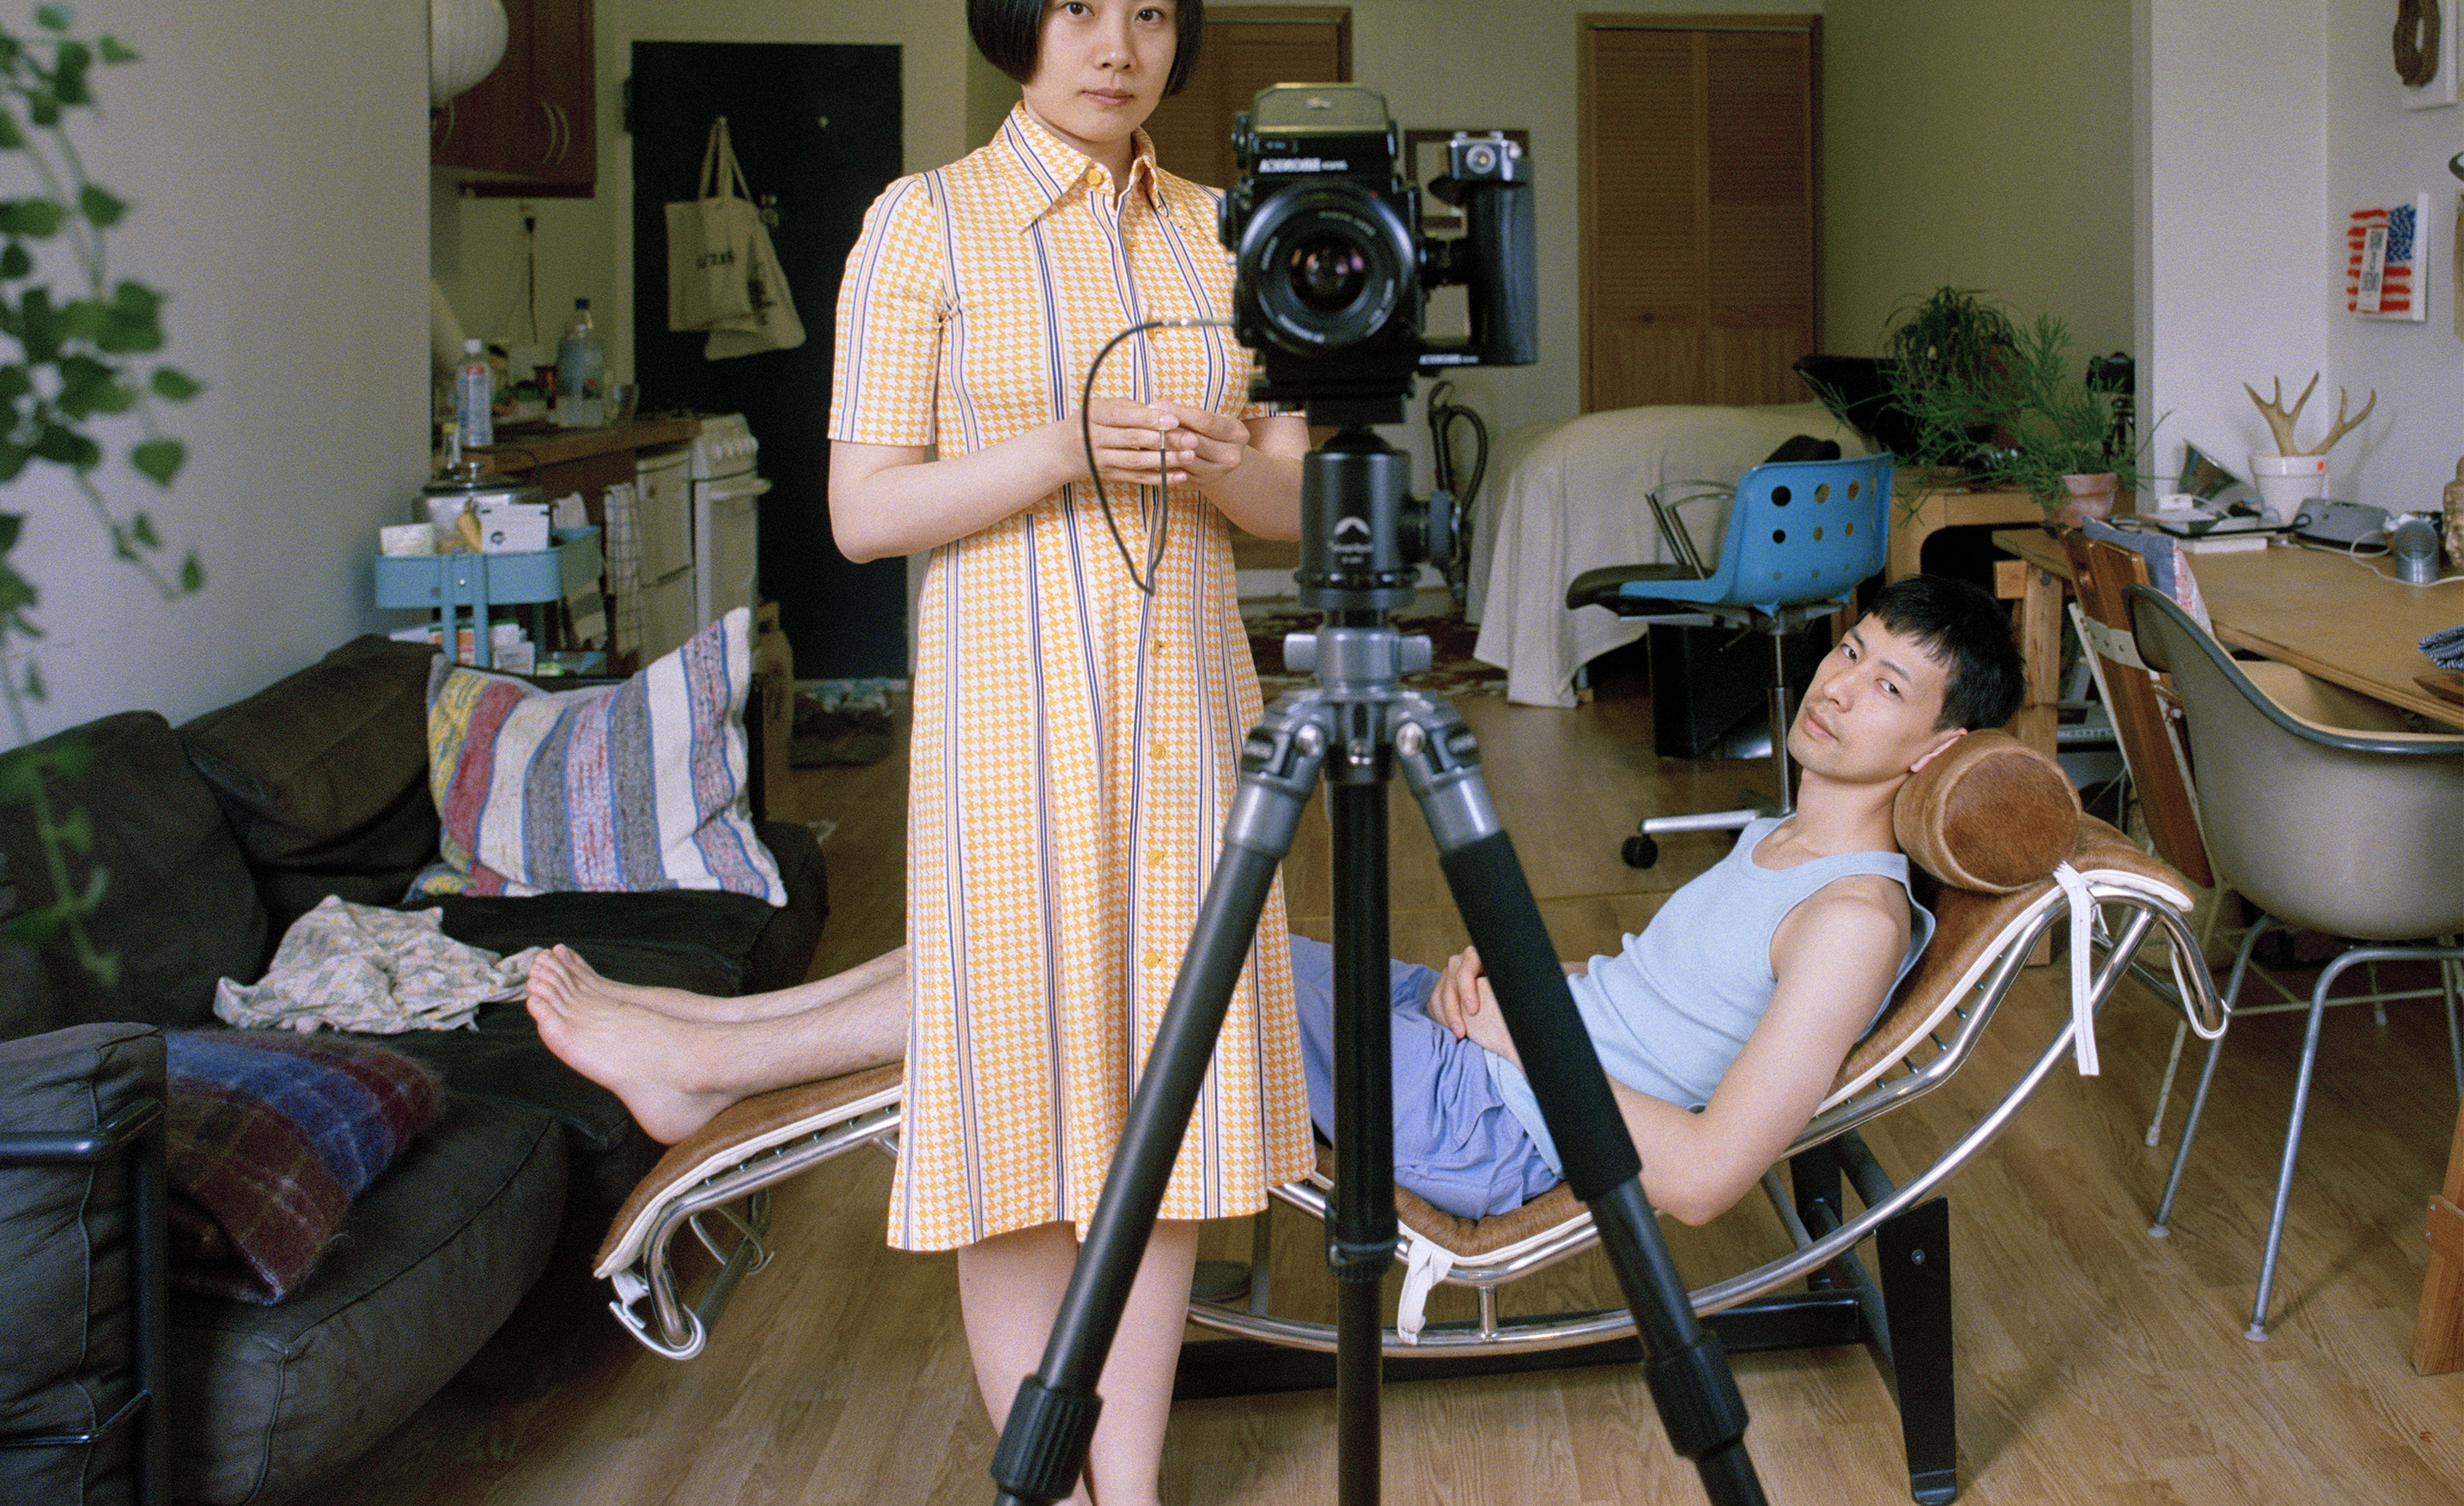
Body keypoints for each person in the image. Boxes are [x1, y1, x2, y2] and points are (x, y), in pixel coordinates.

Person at [709, 0, 1311, 1506]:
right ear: (1019, 26)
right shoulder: (924, 223)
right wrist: (1059, 447)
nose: (1117, 48)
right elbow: (861, 509)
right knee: (1024, 1118)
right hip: (1005, 744)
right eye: (1079, 10)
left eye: (1149, 13)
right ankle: (1052, 1499)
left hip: (1195, 732)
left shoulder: (1222, 233)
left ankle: (1134, 1494)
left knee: (1166, 1112)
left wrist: (1207, 465)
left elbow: (1289, 500)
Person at [529, 574, 2023, 1241]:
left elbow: (1697, 1178)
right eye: (1851, 650)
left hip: (1501, 1115)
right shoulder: (1781, 831)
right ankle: (715, 1027)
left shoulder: (1852, 921)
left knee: (1102, 949)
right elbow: (1665, 1015)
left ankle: (710, 1061)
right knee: (1092, 899)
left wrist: (1522, 1034)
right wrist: (1512, 989)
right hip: (1496, 1042)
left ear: (1940, 743)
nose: (1840, 684)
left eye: (1890, 684)